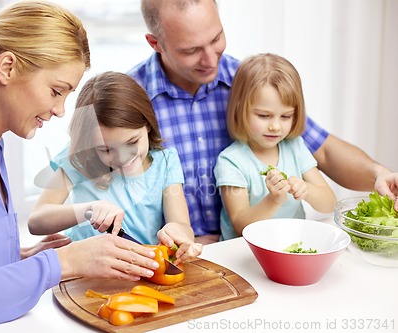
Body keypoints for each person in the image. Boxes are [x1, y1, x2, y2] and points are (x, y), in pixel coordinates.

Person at [0, 2, 160, 331]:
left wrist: (24, 257)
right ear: (7, 68)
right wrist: (62, 263)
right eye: (56, 91)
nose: (61, 110)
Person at [128, 0, 398, 243]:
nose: (211, 59)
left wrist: (379, 174)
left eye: (217, 38)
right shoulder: (129, 98)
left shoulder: (249, 82)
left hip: (252, 249)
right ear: (156, 44)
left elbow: (322, 148)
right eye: (192, 50)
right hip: (173, 253)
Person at [28, 71, 202, 262]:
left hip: (141, 268)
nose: (122, 157)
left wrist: (177, 231)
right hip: (85, 269)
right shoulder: (79, 158)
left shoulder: (165, 163)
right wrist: (89, 210)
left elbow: (183, 226)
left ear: (148, 125)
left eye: (132, 142)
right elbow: (36, 221)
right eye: (106, 149)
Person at [214, 53, 337, 239]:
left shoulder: (295, 147)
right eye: (264, 116)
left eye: (286, 116)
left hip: (292, 245)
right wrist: (273, 200)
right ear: (240, 109)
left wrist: (306, 189)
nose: (276, 126)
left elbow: (329, 203)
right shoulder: (231, 161)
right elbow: (240, 224)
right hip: (243, 252)